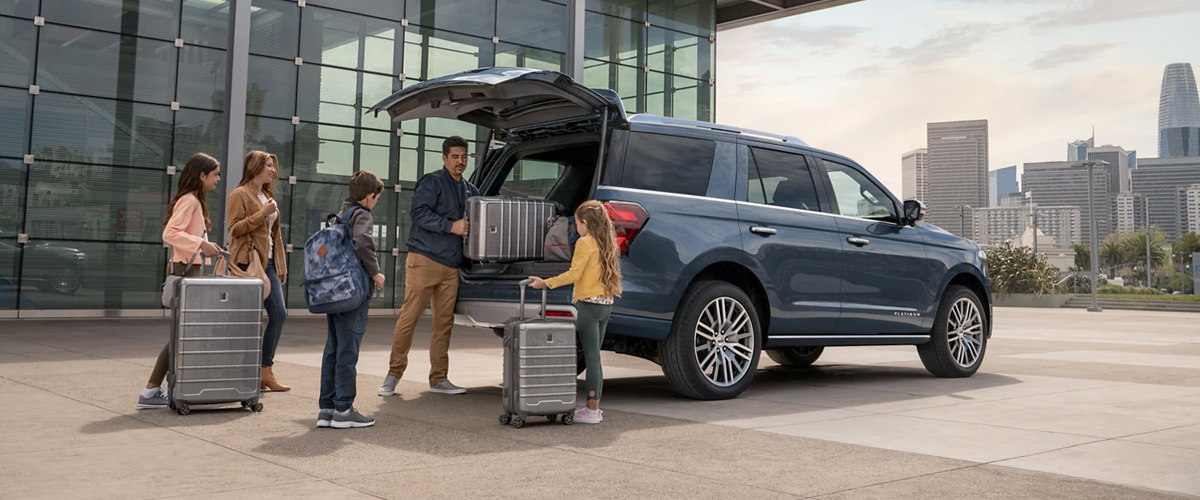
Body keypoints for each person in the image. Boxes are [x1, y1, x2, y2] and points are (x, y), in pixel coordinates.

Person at [379, 136, 479, 397]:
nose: (460, 161)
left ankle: (439, 379)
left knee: (443, 324)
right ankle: (393, 375)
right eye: (455, 157)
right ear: (444, 158)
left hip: (451, 266)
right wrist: (451, 226)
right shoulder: (432, 181)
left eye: (464, 156)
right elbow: (419, 213)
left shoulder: (471, 190)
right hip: (424, 260)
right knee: (409, 318)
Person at [138, 153, 223, 409]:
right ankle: (151, 390)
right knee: (180, 333)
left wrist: (204, 245)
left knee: (182, 333)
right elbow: (170, 233)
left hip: (189, 270)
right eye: (215, 174)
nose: (218, 179)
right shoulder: (190, 201)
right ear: (202, 175)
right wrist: (201, 244)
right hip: (186, 271)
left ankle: (160, 389)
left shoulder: (194, 201)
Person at [529, 200, 622, 424]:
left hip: (588, 306)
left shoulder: (585, 243)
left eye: (577, 223)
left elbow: (574, 274)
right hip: (605, 305)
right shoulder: (607, 243)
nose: (576, 228)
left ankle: (591, 411)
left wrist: (546, 283)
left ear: (585, 223)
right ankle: (595, 408)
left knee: (590, 357)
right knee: (595, 357)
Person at [317, 171, 386, 429]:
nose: (376, 202)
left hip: (334, 290)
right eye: (376, 198)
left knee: (333, 348)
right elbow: (363, 242)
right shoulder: (362, 215)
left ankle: (327, 408)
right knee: (349, 349)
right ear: (370, 196)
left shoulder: (339, 215)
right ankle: (344, 409)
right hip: (352, 292)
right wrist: (375, 272)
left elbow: (324, 251)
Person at [227, 150, 290, 392]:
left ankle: (265, 371)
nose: (273, 170)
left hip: (270, 264)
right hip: (247, 264)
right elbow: (235, 230)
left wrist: (281, 266)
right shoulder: (239, 195)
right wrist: (261, 214)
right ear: (255, 167)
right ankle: (246, 372)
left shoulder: (267, 196)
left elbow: (276, 236)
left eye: (273, 166)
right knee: (248, 321)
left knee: (279, 314)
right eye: (268, 166)